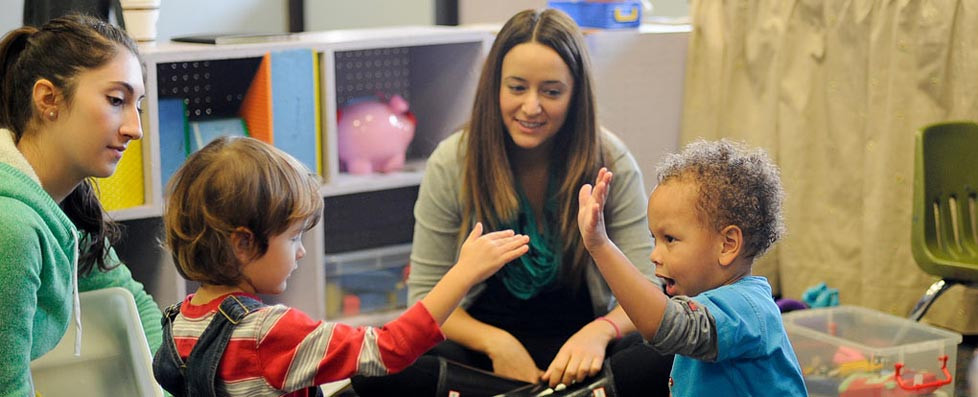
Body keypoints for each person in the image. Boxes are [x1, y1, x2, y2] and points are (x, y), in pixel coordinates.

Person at [352, 8, 672, 397]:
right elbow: (426, 300)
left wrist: (599, 332)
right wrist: (497, 344)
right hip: (482, 354)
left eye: (551, 92)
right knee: (373, 369)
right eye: (517, 88)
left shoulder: (610, 159)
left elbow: (650, 294)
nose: (531, 107)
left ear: (575, 95)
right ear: (495, 87)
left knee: (669, 351)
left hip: (583, 356)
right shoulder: (454, 161)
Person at [151, 136, 529, 396]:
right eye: (293, 237)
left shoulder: (179, 323)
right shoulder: (271, 332)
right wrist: (462, 274)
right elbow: (389, 349)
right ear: (243, 243)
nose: (300, 253)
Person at [0, 14, 163, 396]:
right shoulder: (13, 227)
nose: (134, 128)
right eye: (116, 100)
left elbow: (135, 307)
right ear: (48, 99)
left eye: (137, 105)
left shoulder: (64, 205)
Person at [577, 139, 808, 396]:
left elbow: (666, 326)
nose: (654, 255)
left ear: (727, 245)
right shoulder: (714, 300)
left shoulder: (745, 308)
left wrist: (601, 247)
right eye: (654, 239)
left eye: (670, 240)